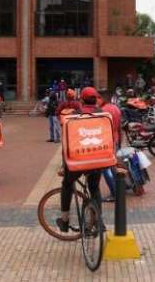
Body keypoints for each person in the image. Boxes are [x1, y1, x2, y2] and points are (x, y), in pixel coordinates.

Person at [57, 87, 104, 232]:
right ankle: (98, 222)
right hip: (98, 158)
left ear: (81, 100)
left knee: (67, 184)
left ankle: (64, 221)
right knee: (94, 187)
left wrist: (64, 165)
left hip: (79, 161)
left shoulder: (74, 116)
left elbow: (67, 142)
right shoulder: (103, 114)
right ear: (96, 99)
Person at [99, 89, 122, 202]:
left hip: (106, 142)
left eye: (99, 98)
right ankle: (119, 189)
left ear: (103, 98)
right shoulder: (116, 109)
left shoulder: (102, 111)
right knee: (114, 167)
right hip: (115, 140)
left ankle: (114, 193)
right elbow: (119, 127)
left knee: (106, 169)